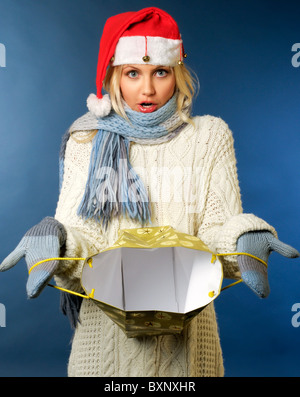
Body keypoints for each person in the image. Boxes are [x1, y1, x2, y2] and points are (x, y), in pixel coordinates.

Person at [0, 7, 299, 377]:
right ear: (114, 75)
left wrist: (243, 237)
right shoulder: (88, 140)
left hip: (188, 357)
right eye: (132, 73)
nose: (147, 89)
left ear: (177, 72)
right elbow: (85, 239)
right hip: (103, 355)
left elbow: (213, 236)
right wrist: (58, 241)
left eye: (160, 72)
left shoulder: (209, 137)